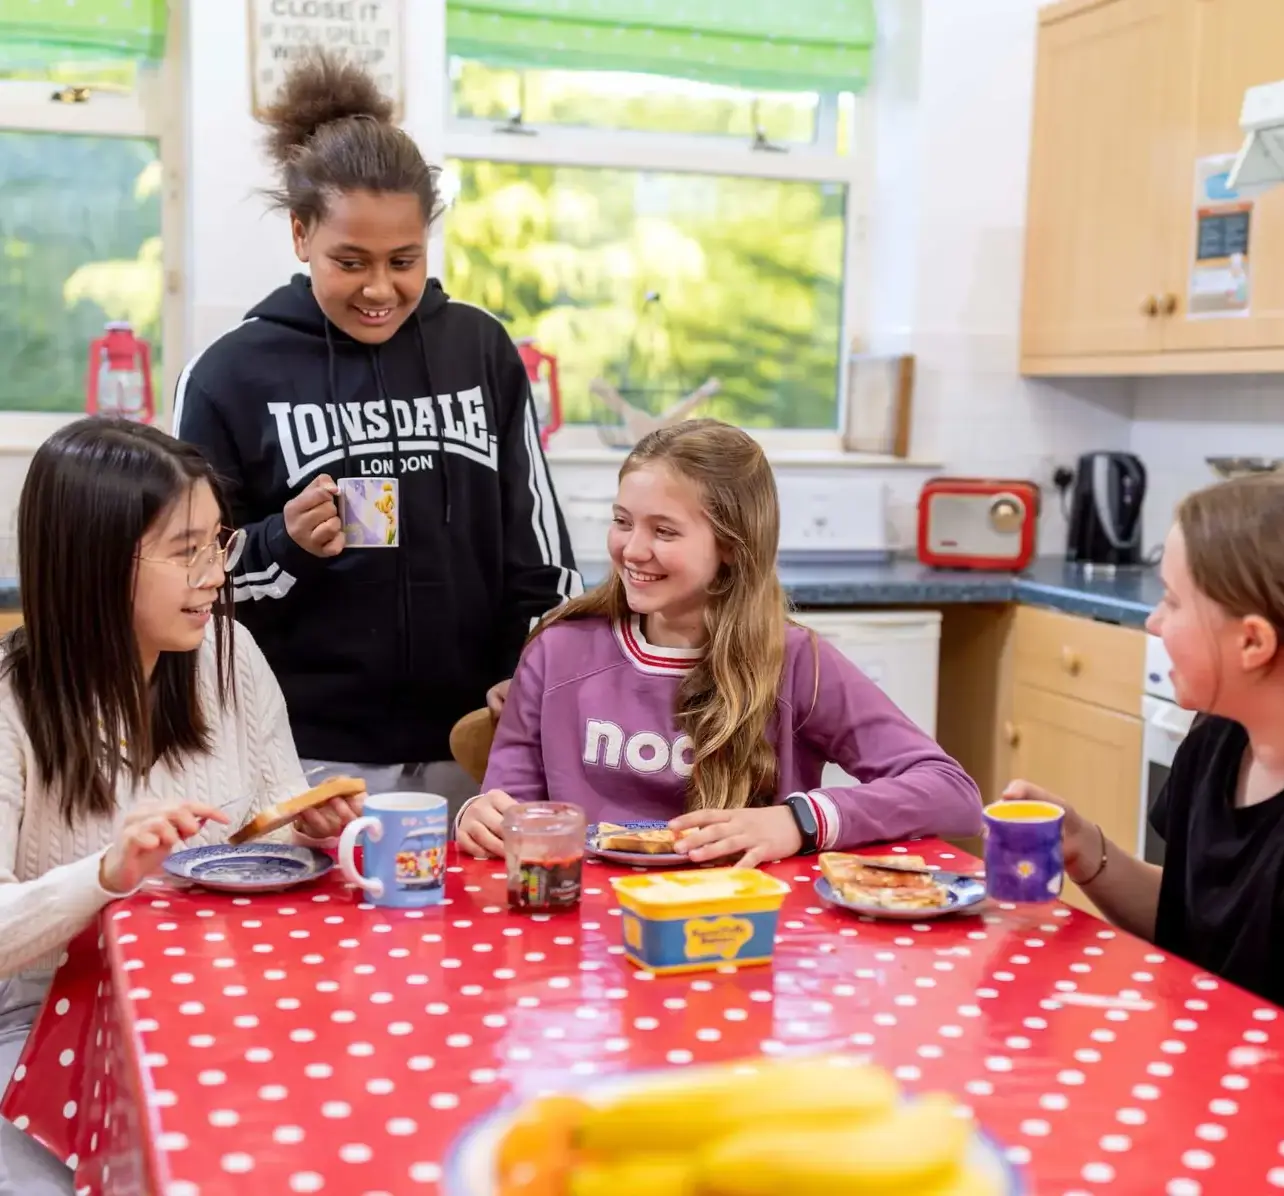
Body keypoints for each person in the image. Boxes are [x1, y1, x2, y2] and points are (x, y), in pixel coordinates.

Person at [171, 51, 580, 823]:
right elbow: (188, 578)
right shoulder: (229, 374)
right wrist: (282, 540)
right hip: (303, 759)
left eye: (405, 261)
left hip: (478, 752)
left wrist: (539, 675)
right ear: (300, 234)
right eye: (349, 261)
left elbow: (542, 555)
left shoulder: (482, 350)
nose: (380, 289)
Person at [0, 418, 360, 1190]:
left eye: (218, 543)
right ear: (93, 561)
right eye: (185, 549)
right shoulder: (12, 700)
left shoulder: (228, 655)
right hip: (38, 1031)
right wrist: (106, 872)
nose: (215, 574)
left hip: (215, 1007)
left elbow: (274, 815)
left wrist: (311, 826)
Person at [456, 419, 982, 865]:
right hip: (586, 939)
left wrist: (798, 821)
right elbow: (509, 815)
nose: (632, 549)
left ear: (731, 546)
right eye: (622, 522)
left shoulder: (795, 662)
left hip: (739, 932)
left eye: (664, 531)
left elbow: (951, 792)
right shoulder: (557, 651)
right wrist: (481, 819)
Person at [1006, 472, 1284, 1055]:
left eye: (1173, 601)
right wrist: (1087, 849)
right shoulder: (1219, 739)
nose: (1154, 622)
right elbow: (1194, 920)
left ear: (1252, 643)